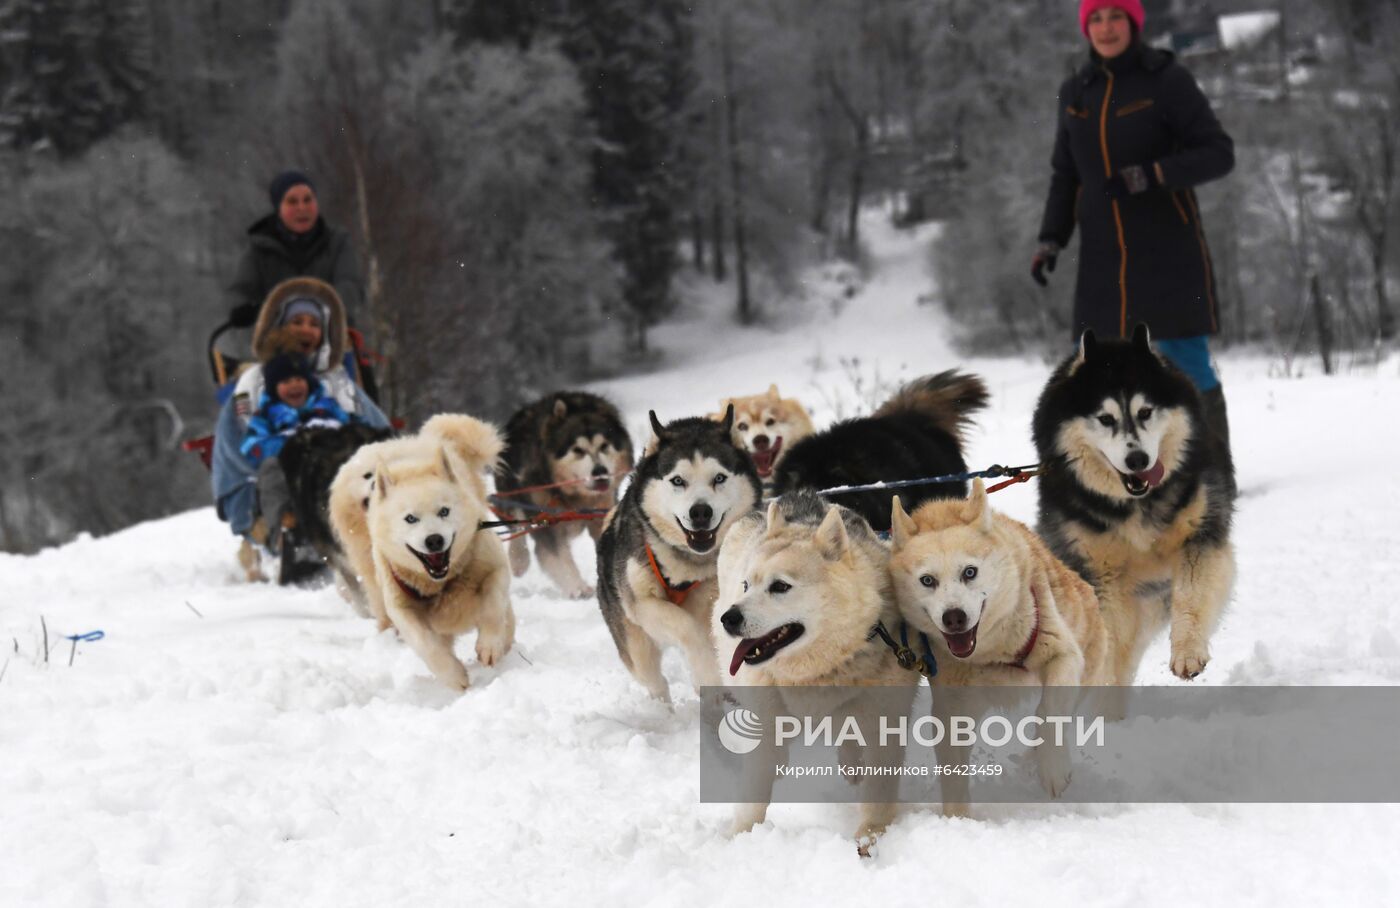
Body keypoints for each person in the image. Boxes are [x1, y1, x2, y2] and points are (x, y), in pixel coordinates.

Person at [1033, 0, 1235, 444]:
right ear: (1086, 27)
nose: (1106, 28)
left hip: (1168, 250)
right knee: (1086, 367)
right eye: (1097, 18)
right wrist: (1050, 239)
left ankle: (1214, 472)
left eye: (1116, 16)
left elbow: (1219, 152)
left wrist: (1153, 174)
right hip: (1103, 259)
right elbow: (1065, 175)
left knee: (1187, 361)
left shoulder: (1166, 81)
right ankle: (1097, 480)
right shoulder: (1075, 93)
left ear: (1134, 23)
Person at [211, 276, 389, 576]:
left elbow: (377, 429)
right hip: (277, 473)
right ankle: (285, 535)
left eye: (314, 323)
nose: (306, 329)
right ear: (278, 325)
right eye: (297, 321)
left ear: (325, 333)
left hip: (333, 468)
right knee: (277, 476)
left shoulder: (337, 383)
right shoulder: (253, 383)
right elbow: (235, 449)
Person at [239, 351, 357, 552]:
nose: (294, 385)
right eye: (285, 381)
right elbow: (252, 447)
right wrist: (290, 442)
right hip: (289, 477)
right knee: (270, 472)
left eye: (298, 379)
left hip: (326, 468)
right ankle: (283, 531)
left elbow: (349, 427)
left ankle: (351, 521)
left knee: (350, 464)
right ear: (274, 388)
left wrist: (330, 432)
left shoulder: (326, 407)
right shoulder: (266, 416)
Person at [225, 170, 366, 329]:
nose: (302, 208)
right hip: (278, 340)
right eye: (292, 202)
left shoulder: (338, 242)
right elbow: (240, 290)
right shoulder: (259, 249)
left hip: (334, 337)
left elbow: (350, 284)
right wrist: (242, 308)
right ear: (279, 209)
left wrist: (321, 312)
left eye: (308, 200)